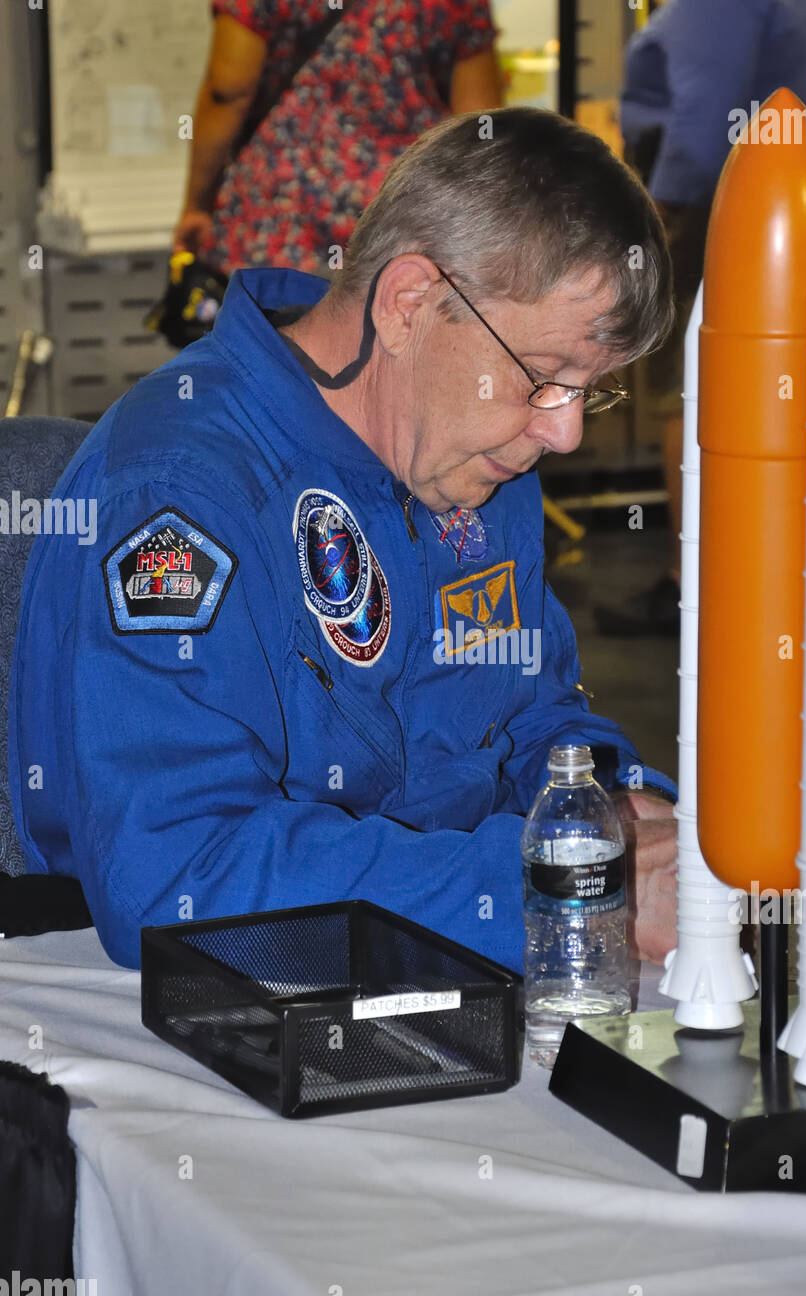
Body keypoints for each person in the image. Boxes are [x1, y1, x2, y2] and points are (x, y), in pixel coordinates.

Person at [9, 109, 679, 975]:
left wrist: (618, 813)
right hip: (196, 999)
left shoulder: (479, 460)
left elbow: (532, 717)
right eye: (545, 380)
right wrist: (553, 888)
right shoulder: (179, 495)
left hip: (444, 968)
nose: (565, 436)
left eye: (590, 393)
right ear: (409, 303)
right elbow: (178, 878)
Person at [595, 0, 806, 638]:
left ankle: (689, 583)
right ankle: (743, 573)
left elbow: (701, 119)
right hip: (760, 183)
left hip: (705, 197)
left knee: (689, 392)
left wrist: (653, 215)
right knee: (735, 385)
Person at [174, 0, 503, 277]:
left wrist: (196, 205)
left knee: (268, 343)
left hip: (275, 217)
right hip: (397, 216)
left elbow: (228, 90)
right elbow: (477, 123)